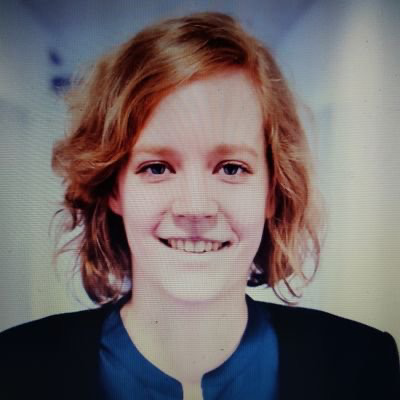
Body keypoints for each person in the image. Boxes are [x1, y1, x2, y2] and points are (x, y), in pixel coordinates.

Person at [0, 12, 399, 400]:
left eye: (231, 168)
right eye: (157, 168)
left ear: (272, 192)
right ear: (114, 190)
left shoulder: (361, 363)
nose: (195, 207)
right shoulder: (15, 367)